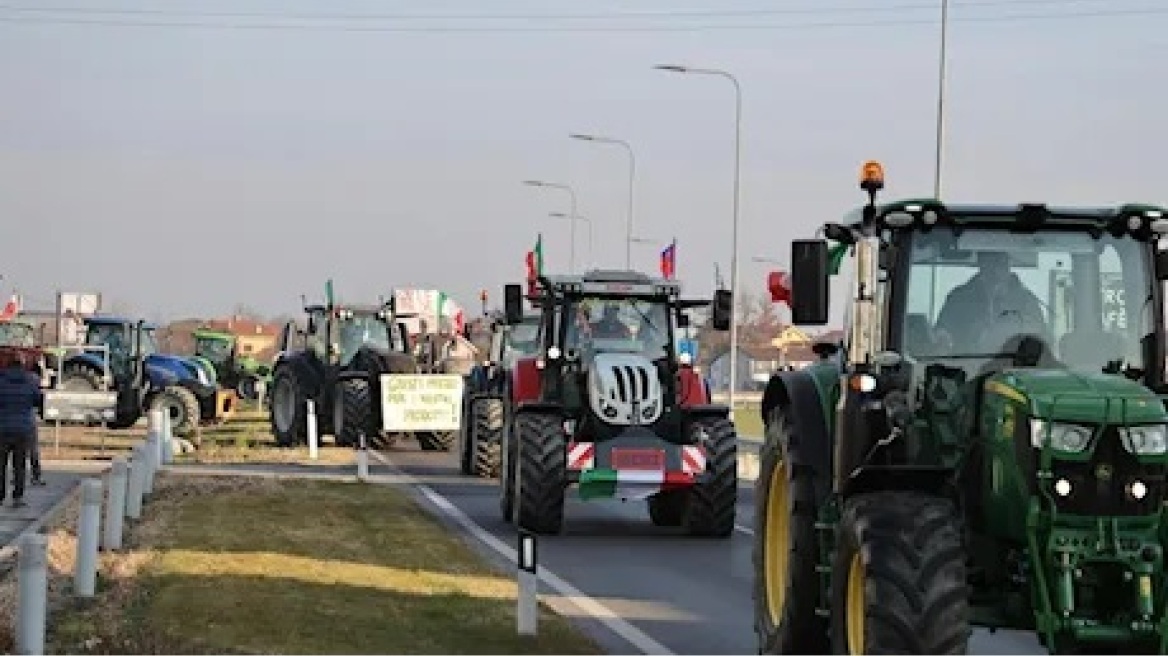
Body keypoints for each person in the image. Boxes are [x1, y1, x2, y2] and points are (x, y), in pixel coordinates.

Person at [934, 251, 1048, 353]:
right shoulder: (959, 298)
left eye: (1001, 262)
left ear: (1009, 264)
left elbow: (1043, 338)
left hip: (1015, 370)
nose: (996, 270)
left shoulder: (1026, 301)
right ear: (980, 262)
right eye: (990, 262)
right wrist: (943, 339)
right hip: (966, 371)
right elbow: (941, 332)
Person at [0, 352, 42, 507]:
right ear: (22, 364)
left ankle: (0, 495)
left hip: (2, 428)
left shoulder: (1, 380)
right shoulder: (30, 381)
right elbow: (37, 399)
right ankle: (17, 496)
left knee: (1, 465)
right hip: (23, 429)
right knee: (19, 465)